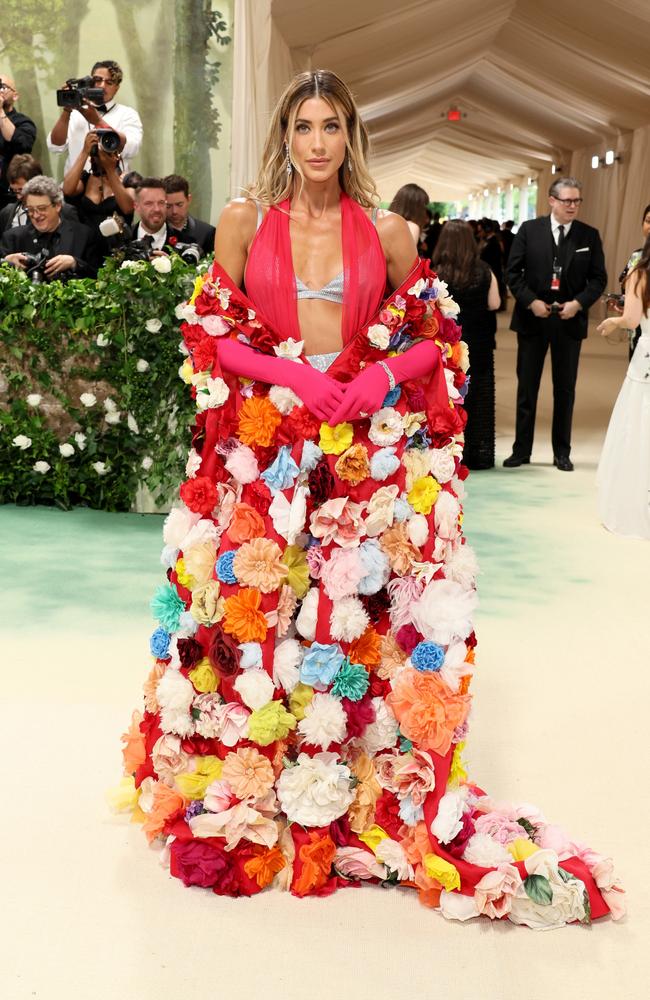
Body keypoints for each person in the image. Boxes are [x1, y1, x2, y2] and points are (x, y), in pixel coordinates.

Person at [118, 70, 622, 926]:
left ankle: (347, 769)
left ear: (351, 137)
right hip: (269, 449)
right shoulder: (245, 222)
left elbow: (435, 337)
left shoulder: (386, 232)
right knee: (258, 613)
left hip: (360, 450)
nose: (318, 143)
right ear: (285, 134)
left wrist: (379, 373)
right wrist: (284, 372)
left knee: (357, 613)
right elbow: (209, 328)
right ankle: (262, 768)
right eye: (304, 126)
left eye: (332, 127)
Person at [504, 177, 607, 471]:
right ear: (552, 200)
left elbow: (599, 278)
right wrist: (530, 301)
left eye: (577, 201)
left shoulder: (589, 236)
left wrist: (578, 303)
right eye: (567, 201)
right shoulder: (529, 230)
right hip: (532, 319)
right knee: (527, 387)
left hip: (568, 321)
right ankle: (521, 450)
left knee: (565, 390)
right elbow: (513, 273)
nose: (573, 206)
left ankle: (562, 452)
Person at [432, 220, 500, 469]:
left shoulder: (435, 272)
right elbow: (494, 303)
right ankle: (479, 453)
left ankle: (447, 453)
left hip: (447, 343)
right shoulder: (484, 270)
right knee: (479, 396)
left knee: (447, 396)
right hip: (479, 341)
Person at [596, 235, 650, 538]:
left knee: (637, 425)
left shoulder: (639, 273)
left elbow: (631, 319)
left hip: (646, 355)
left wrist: (614, 322)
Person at [47, 60, 143, 175]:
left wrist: (98, 121)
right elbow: (55, 146)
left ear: (116, 88)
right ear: (90, 82)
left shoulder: (127, 114)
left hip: (113, 188)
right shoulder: (75, 113)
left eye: (109, 82)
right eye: (97, 80)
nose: (102, 86)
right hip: (74, 187)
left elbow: (132, 148)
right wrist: (67, 109)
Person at [0, 174, 98, 279]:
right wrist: (5, 262)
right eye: (31, 210)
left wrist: (74, 263)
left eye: (42, 208)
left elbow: (98, 275)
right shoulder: (13, 238)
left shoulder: (83, 235)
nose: (36, 215)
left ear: (57, 206)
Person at [62, 130, 134, 234]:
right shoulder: (85, 179)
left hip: (119, 246)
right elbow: (67, 190)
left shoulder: (128, 181)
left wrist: (110, 170)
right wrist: (85, 151)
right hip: (86, 244)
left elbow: (127, 208)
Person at [608, 203, 650, 359]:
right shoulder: (636, 257)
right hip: (638, 328)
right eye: (648, 221)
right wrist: (624, 304)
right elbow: (629, 290)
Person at [0, 74, 37, 209]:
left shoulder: (23, 122)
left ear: (15, 95)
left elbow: (21, 146)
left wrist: (0, 111)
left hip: (9, 197)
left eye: (2, 87)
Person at [163, 174, 215, 256]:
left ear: (189, 199)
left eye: (179, 204)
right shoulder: (155, 232)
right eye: (168, 206)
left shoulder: (207, 233)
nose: (174, 211)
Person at [132, 177, 174, 252]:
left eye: (161, 203)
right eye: (149, 203)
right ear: (136, 207)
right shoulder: (121, 242)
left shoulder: (185, 242)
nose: (156, 209)